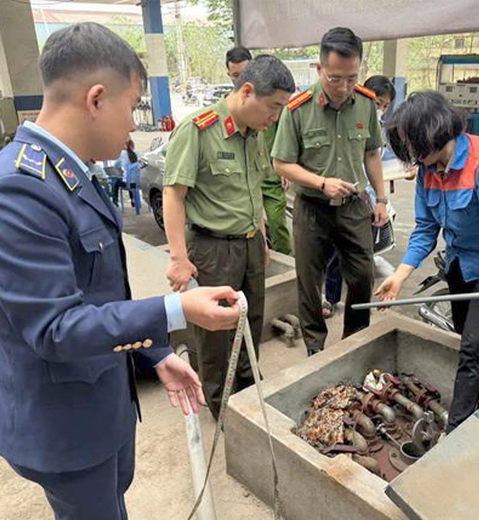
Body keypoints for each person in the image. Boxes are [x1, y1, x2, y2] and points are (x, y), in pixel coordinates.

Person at [0, 23, 242, 519]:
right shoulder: (16, 191)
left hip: (101, 401)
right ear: (95, 99)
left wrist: (154, 354)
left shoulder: (70, 174)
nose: (134, 124)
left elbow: (98, 291)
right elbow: (55, 327)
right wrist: (177, 310)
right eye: (132, 106)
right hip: (64, 425)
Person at [375, 91, 479, 434]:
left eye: (412, 144)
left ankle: (457, 430)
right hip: (461, 259)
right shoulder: (428, 169)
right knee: (466, 337)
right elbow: (426, 229)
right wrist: (400, 276)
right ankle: (473, 388)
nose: (411, 155)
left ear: (432, 131)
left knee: (474, 347)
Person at [163, 55, 296, 419]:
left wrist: (262, 237)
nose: (275, 117)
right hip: (214, 248)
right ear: (247, 91)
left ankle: (250, 390)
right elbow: (174, 194)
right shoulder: (198, 130)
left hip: (250, 244)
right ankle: (221, 405)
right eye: (273, 107)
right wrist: (178, 257)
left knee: (250, 320)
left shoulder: (256, 133)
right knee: (215, 332)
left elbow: (252, 190)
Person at [272, 27, 388, 356]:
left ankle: (354, 341)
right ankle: (315, 349)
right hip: (312, 207)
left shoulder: (365, 103)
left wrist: (380, 198)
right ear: (320, 69)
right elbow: (282, 163)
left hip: (354, 207)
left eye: (352, 77)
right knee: (309, 282)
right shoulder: (298, 109)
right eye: (335, 78)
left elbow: (371, 153)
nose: (344, 87)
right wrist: (321, 182)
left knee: (363, 275)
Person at [322, 75, 396, 319]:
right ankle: (331, 298)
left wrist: (381, 201)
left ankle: (362, 307)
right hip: (344, 198)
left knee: (363, 258)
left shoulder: (377, 130)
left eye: (385, 106)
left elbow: (375, 163)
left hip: (368, 201)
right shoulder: (344, 119)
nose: (380, 110)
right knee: (335, 255)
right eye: (378, 105)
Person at [226, 46, 293, 255]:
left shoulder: (267, 109)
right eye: (235, 75)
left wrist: (284, 167)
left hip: (270, 174)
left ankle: (281, 255)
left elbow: (285, 137)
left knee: (276, 222)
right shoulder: (206, 127)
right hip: (223, 244)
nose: (273, 116)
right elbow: (175, 193)